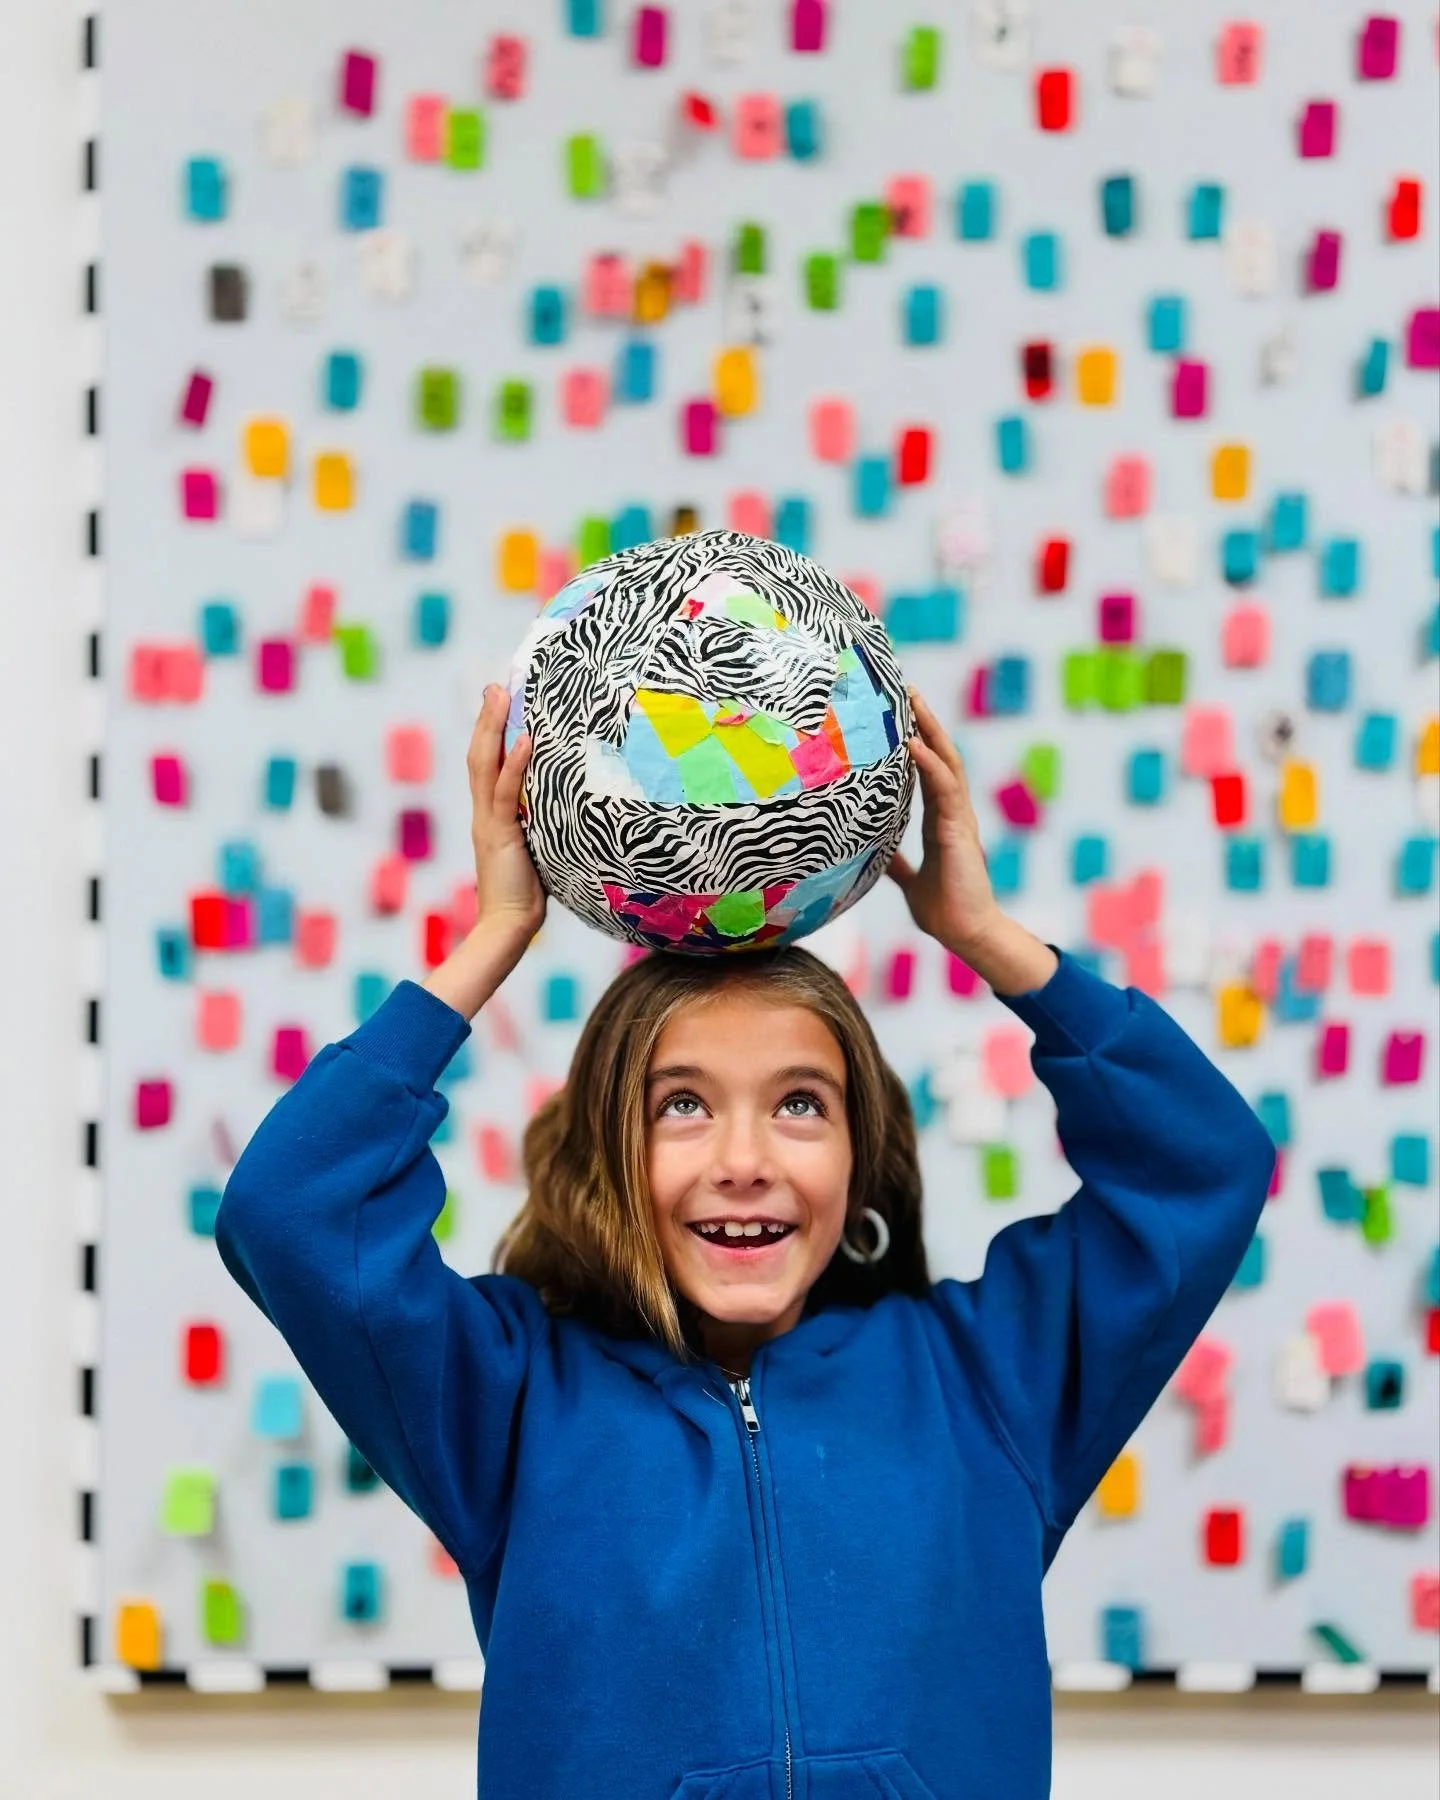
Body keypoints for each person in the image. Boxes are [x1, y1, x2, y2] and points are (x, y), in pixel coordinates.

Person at [216, 681, 1275, 1800]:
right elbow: (292, 1209)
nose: (744, 1158)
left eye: (800, 1104)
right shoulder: (510, 1403)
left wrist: (989, 939)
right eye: (682, 1105)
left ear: (863, 1159)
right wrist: (495, 935)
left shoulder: (986, 1381)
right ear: (610, 1157)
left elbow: (1204, 1167)